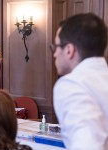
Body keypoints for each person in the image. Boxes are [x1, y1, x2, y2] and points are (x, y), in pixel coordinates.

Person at [51, 13, 108, 150]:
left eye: (56, 47)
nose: (54, 54)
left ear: (69, 50)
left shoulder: (72, 84)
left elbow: (88, 145)